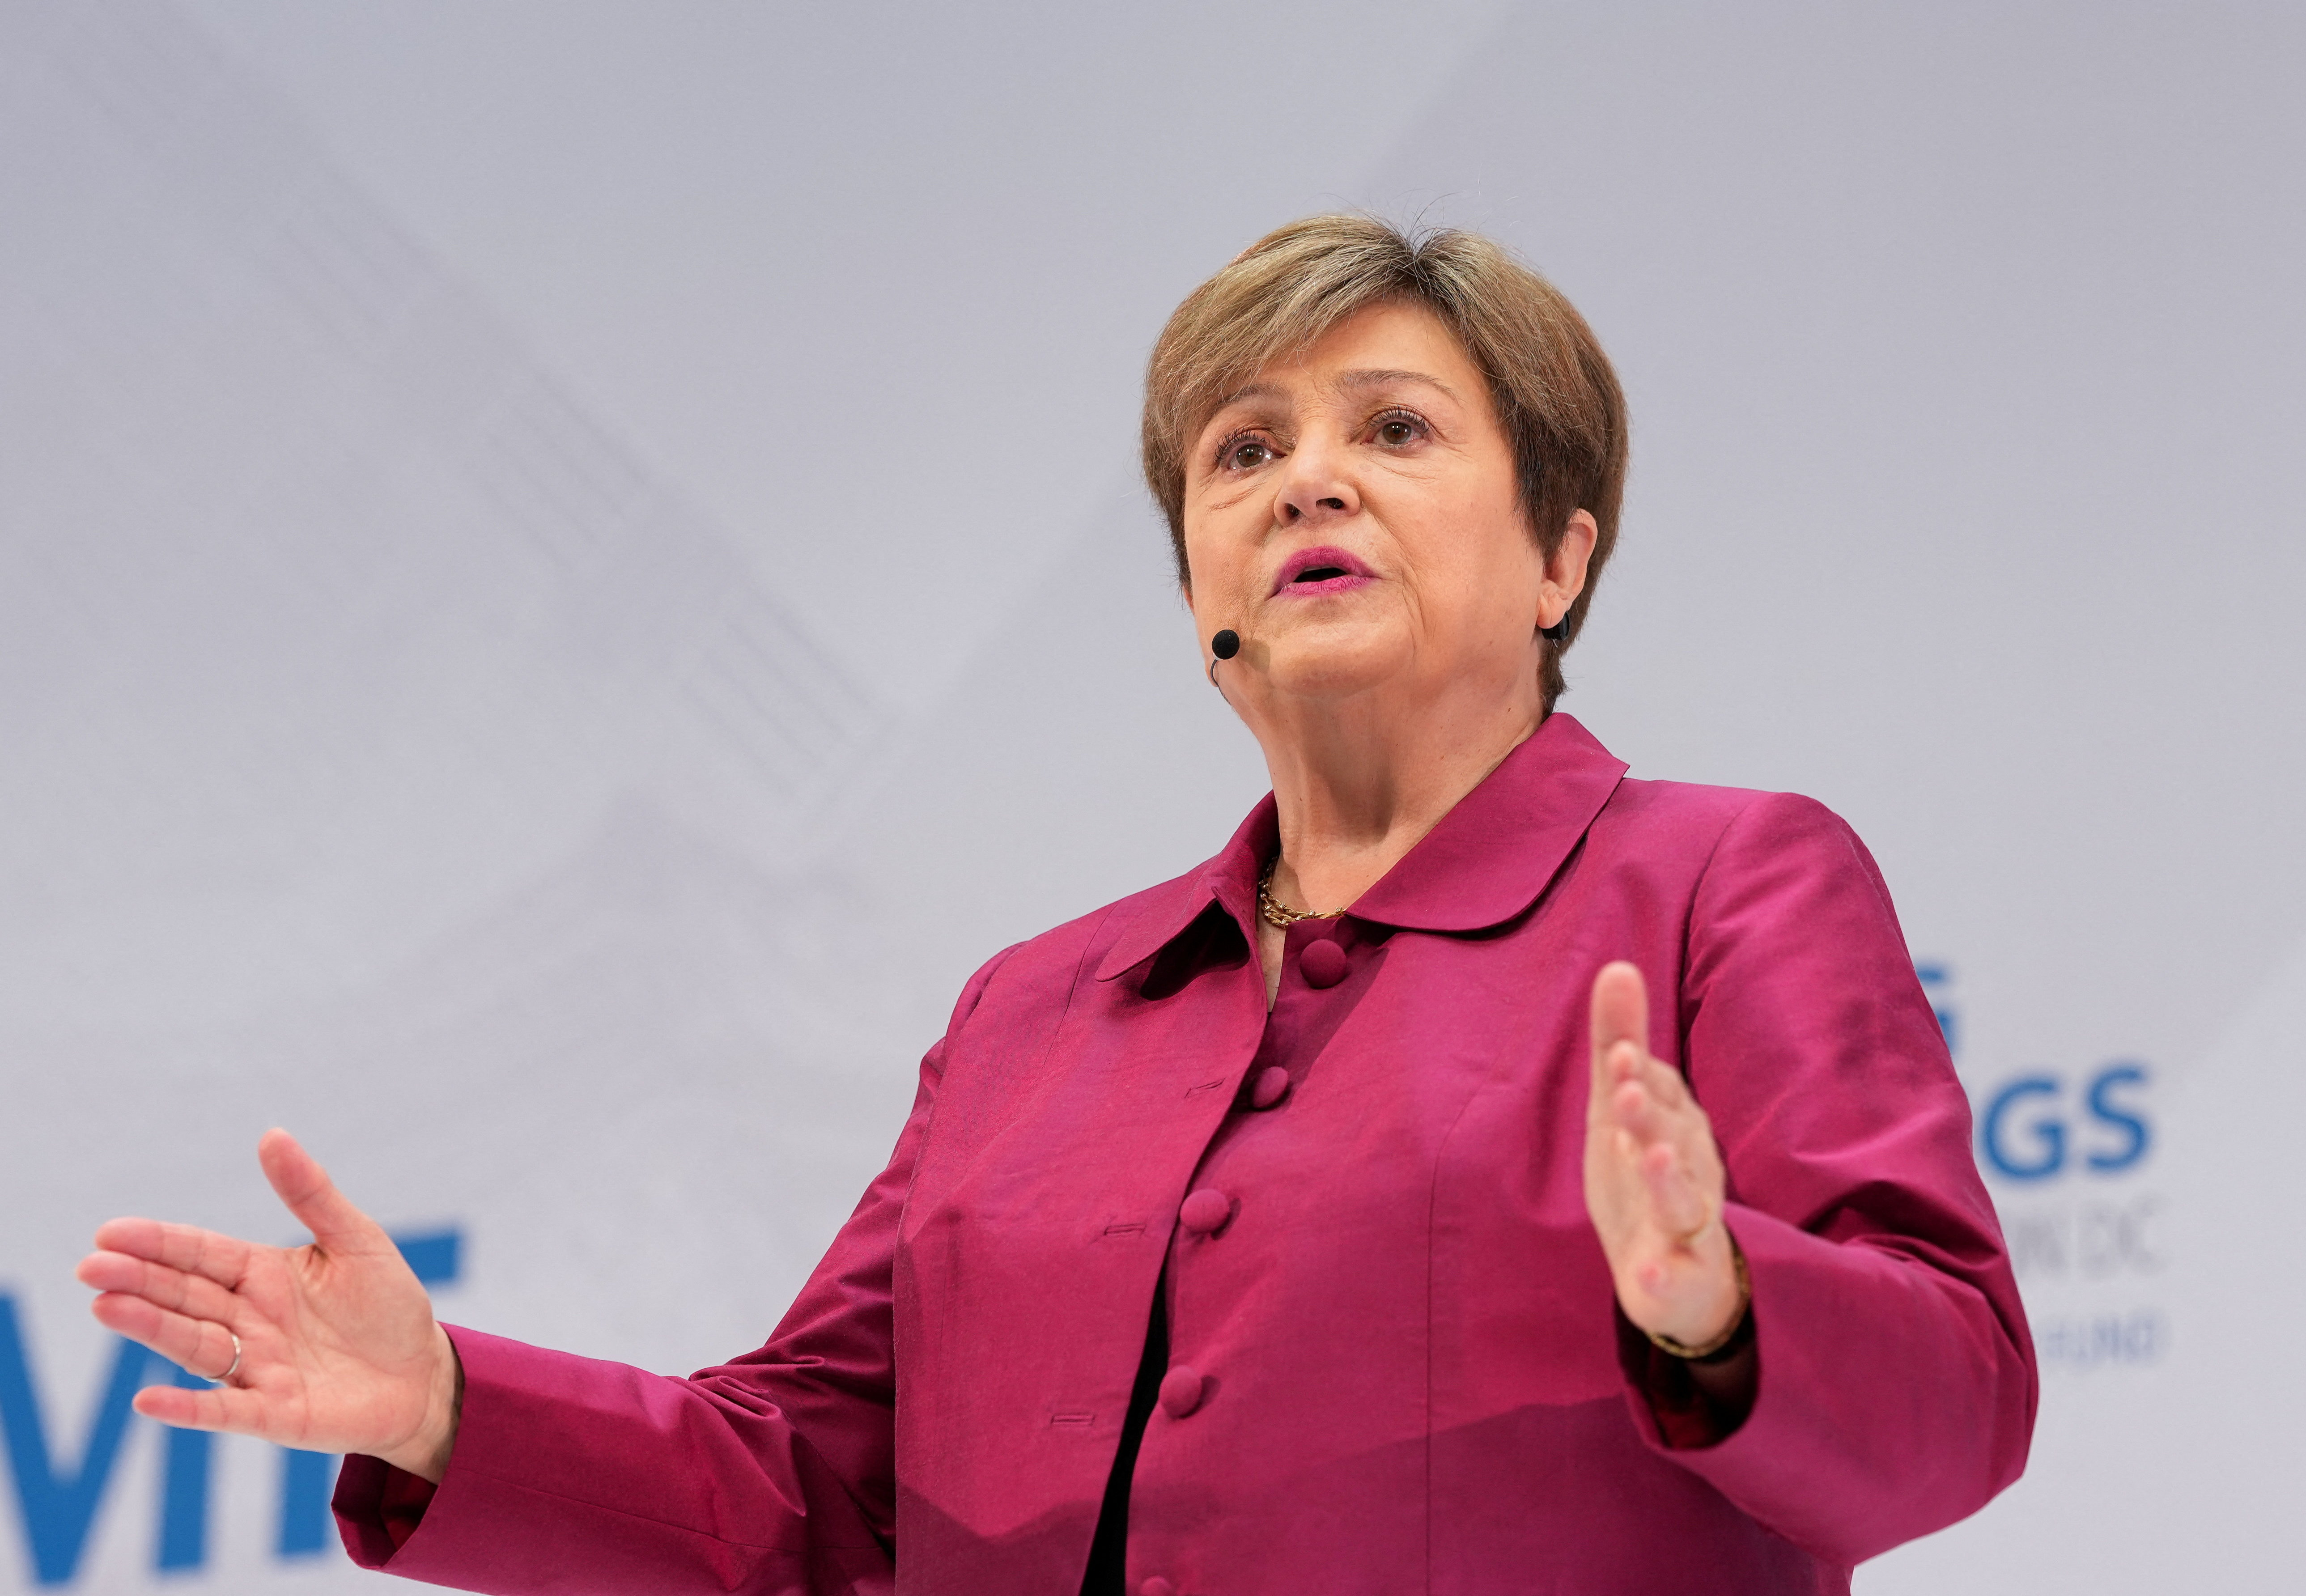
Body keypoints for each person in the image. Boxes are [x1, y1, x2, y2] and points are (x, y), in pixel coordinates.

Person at [77, 215, 2034, 1595]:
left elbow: (1956, 1395)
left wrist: (1716, 1309)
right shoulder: (1035, 1010)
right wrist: (447, 1406)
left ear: (1561, 552)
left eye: (1395, 431)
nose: (1303, 483)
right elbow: (801, 1493)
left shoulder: (1725, 881)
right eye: (1242, 453)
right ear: (1199, 592)